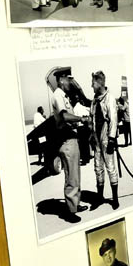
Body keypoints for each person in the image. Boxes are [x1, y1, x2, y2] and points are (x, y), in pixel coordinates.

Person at [47, 68, 87, 222]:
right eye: (69, 79)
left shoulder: (64, 96)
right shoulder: (58, 95)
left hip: (72, 139)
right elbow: (64, 116)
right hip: (66, 139)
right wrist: (80, 119)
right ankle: (70, 212)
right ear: (62, 80)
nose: (71, 82)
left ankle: (75, 205)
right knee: (71, 176)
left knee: (75, 175)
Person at [89, 71, 120, 211]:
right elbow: (92, 118)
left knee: (110, 168)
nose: (91, 85)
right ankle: (100, 198)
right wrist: (91, 134)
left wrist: (112, 139)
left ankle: (115, 199)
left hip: (107, 138)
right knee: (98, 168)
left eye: (93, 83)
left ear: (99, 83)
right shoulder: (94, 100)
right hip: (96, 139)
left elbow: (113, 119)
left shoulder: (110, 99)